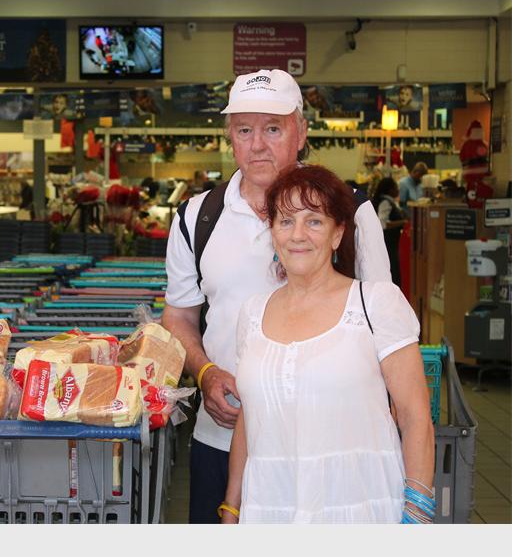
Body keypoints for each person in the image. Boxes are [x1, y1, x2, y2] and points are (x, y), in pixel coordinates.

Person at [162, 68, 392, 524]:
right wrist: (205, 373)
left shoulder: (351, 210)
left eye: (273, 128)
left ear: (301, 132)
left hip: (327, 446)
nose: (257, 145)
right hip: (222, 438)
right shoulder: (195, 217)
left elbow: (383, 325)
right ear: (229, 137)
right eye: (244, 130)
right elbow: (179, 317)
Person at [221, 165, 434, 523]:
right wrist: (232, 506)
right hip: (271, 509)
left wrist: (416, 515)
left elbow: (415, 417)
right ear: (272, 232)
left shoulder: (376, 304)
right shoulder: (253, 314)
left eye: (314, 221)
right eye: (285, 221)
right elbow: (249, 419)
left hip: (361, 510)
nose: (298, 234)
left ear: (338, 234)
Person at [371, 177, 407, 286]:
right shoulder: (385, 202)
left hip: (389, 242)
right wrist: (403, 222)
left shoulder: (389, 201)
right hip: (388, 243)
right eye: (396, 187)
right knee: (392, 270)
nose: (398, 190)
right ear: (390, 189)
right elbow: (383, 224)